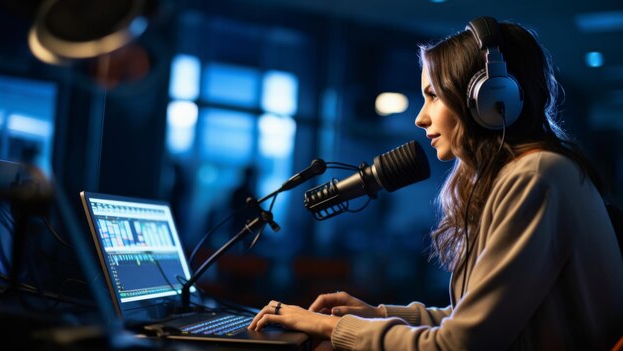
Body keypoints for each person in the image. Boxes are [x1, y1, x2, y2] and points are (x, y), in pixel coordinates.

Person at [248, 17, 623, 350]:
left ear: (491, 99)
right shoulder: (529, 174)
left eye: (433, 96)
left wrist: (331, 327)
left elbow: (461, 343)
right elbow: (471, 319)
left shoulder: (536, 177)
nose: (420, 118)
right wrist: (375, 314)